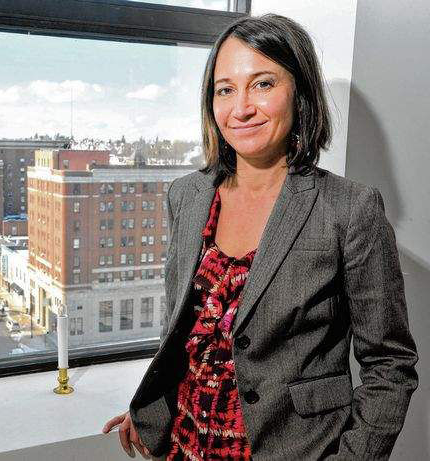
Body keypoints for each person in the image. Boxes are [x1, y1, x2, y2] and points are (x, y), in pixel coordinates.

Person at [102, 13, 418, 461]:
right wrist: (155, 405)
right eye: (225, 89)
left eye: (263, 84)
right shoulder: (187, 196)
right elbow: (184, 329)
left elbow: (391, 365)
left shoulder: (350, 209)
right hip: (184, 446)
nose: (241, 108)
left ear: (300, 92)